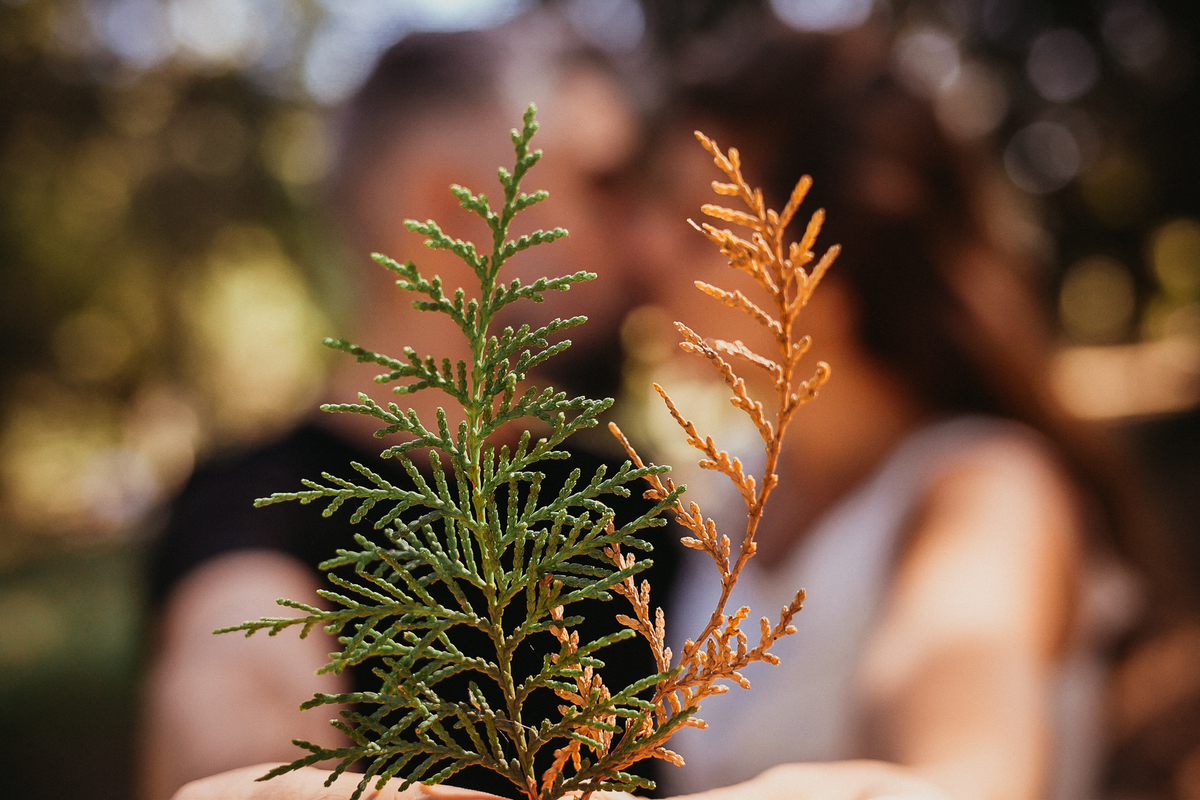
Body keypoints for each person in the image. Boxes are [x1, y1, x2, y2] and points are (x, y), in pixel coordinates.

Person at [144, 13, 1135, 800]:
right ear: (454, 209)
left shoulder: (637, 508)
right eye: (609, 185)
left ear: (817, 277)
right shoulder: (263, 502)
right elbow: (237, 684)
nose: (644, 243)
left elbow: (950, 720)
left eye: (687, 219)